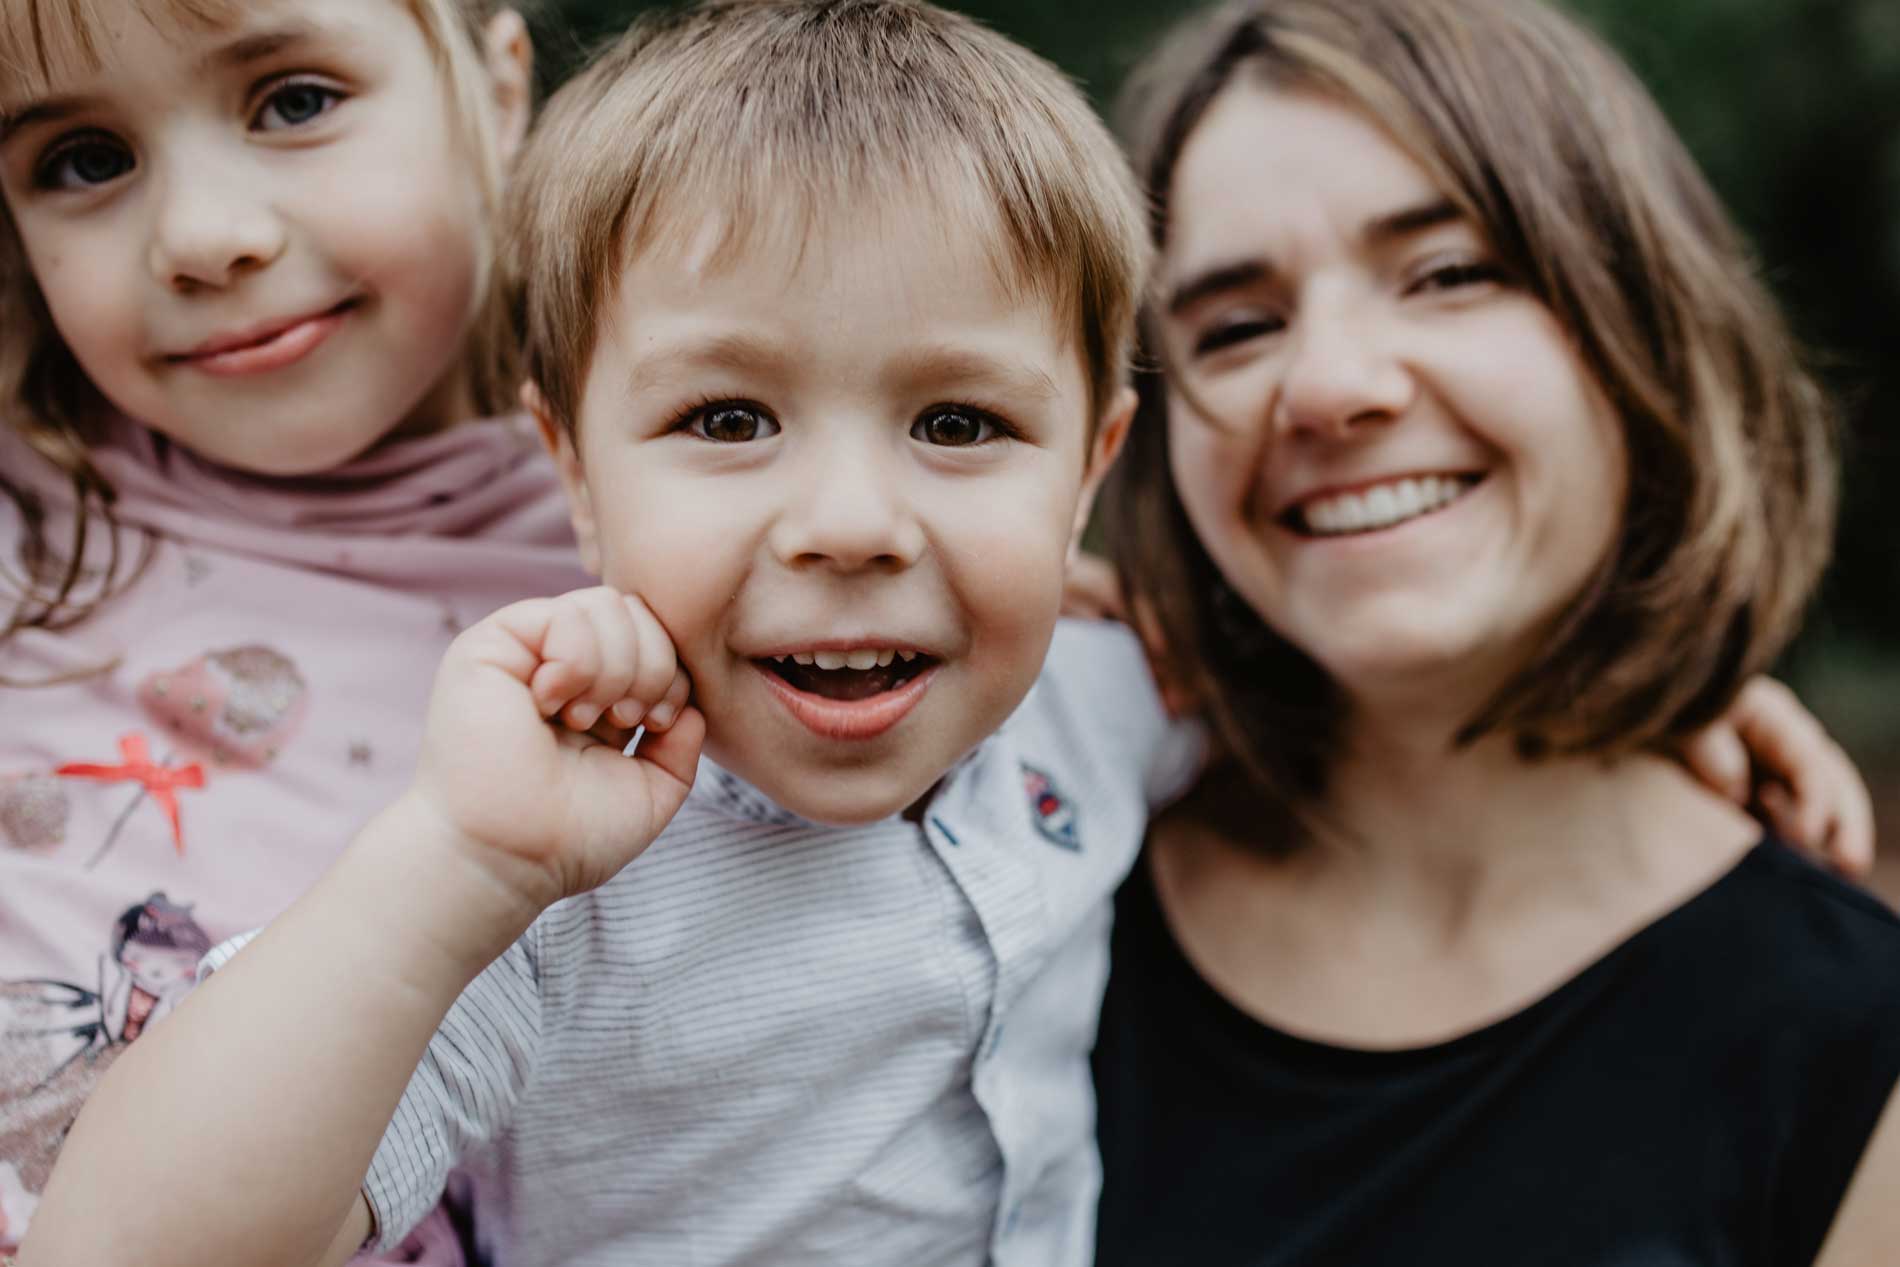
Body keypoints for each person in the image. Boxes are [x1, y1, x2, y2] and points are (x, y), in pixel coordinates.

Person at [15, 3, 1184, 1264]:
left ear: (1085, 476)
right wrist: (459, 863)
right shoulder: (544, 869)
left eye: (958, 425)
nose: (851, 527)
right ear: (570, 472)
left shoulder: (1110, 695)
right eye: (729, 420)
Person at [1089, 0, 1900, 1262]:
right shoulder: (1014, 894)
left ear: (1642, 324)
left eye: (1451, 273)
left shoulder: (1857, 1050)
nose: (1332, 387)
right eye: (1235, 326)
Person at [0, 0, 573, 1259]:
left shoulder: (657, 581)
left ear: (499, 87)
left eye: (295, 101)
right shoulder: (26, 534)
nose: (205, 239)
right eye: (83, 160)